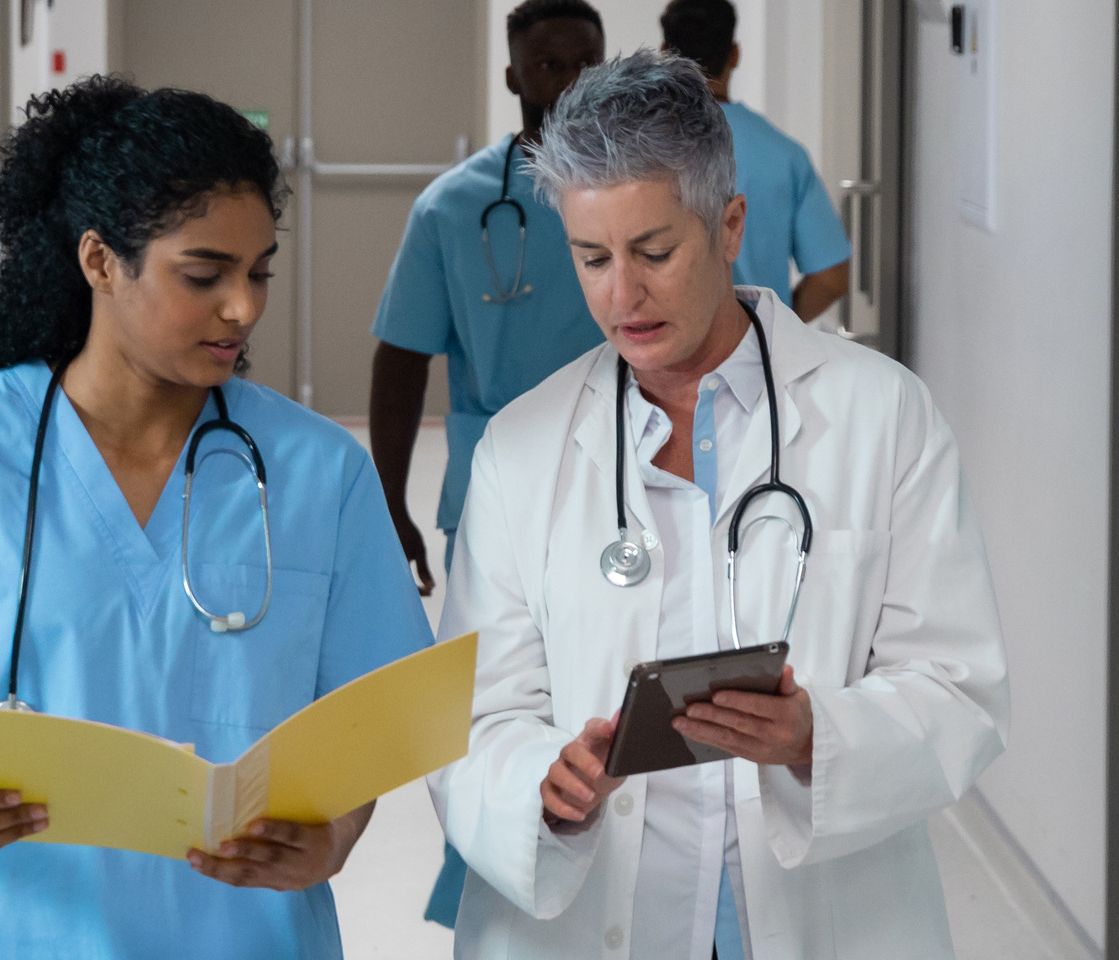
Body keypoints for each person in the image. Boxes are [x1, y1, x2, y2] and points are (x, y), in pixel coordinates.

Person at [0, 75, 434, 959]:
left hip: (240, 938)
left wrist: (337, 838)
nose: (242, 307)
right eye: (204, 274)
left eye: (258, 272)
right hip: (0, 933)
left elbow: (368, 730)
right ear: (98, 262)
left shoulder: (322, 475)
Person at [438, 51, 1008, 960]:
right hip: (597, 920)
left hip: (824, 917)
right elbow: (476, 718)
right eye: (593, 258)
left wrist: (817, 735)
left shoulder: (881, 413)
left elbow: (958, 686)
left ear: (730, 223)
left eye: (655, 252)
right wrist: (542, 788)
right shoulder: (521, 448)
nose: (621, 295)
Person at [369, 0, 614, 603]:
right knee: (492, 680)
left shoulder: (641, 193)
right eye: (549, 63)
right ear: (513, 78)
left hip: (619, 467)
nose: (573, 81)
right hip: (493, 476)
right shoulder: (451, 207)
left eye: (587, 62)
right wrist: (389, 503)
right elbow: (400, 361)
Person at [658, 0, 854, 323]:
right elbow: (831, 277)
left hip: (661, 355)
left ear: (664, 54)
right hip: (755, 354)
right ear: (734, 55)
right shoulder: (782, 153)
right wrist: (774, 327)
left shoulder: (636, 151)